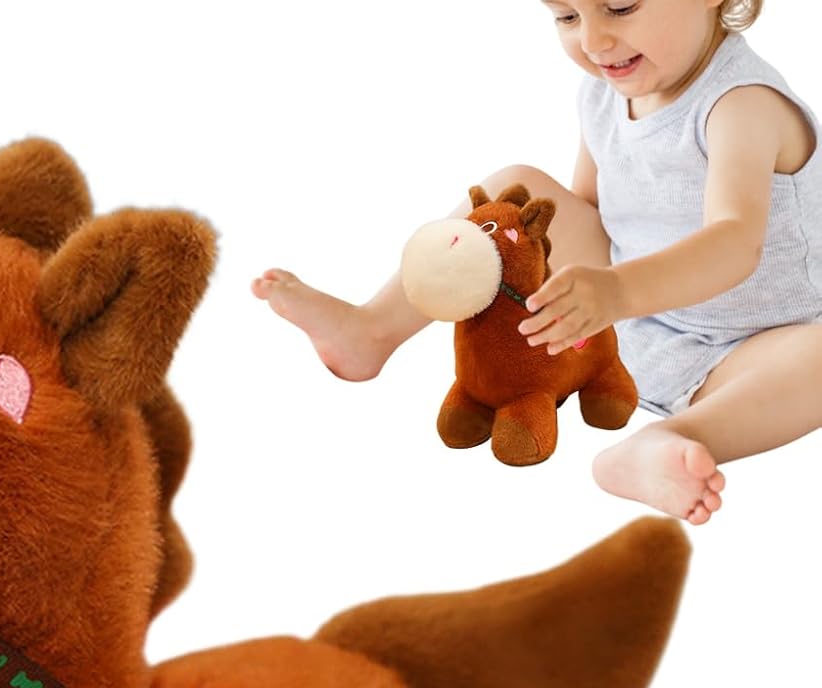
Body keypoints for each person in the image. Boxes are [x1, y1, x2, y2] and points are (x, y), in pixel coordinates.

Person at [253, 0, 822, 525]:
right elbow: (592, 214)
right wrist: (565, 294)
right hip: (623, 327)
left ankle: (671, 440)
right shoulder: (603, 91)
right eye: (567, 16)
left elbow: (734, 242)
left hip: (751, 346)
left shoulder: (741, 105)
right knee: (515, 190)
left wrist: (616, 291)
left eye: (619, 7)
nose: (594, 41)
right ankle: (374, 329)